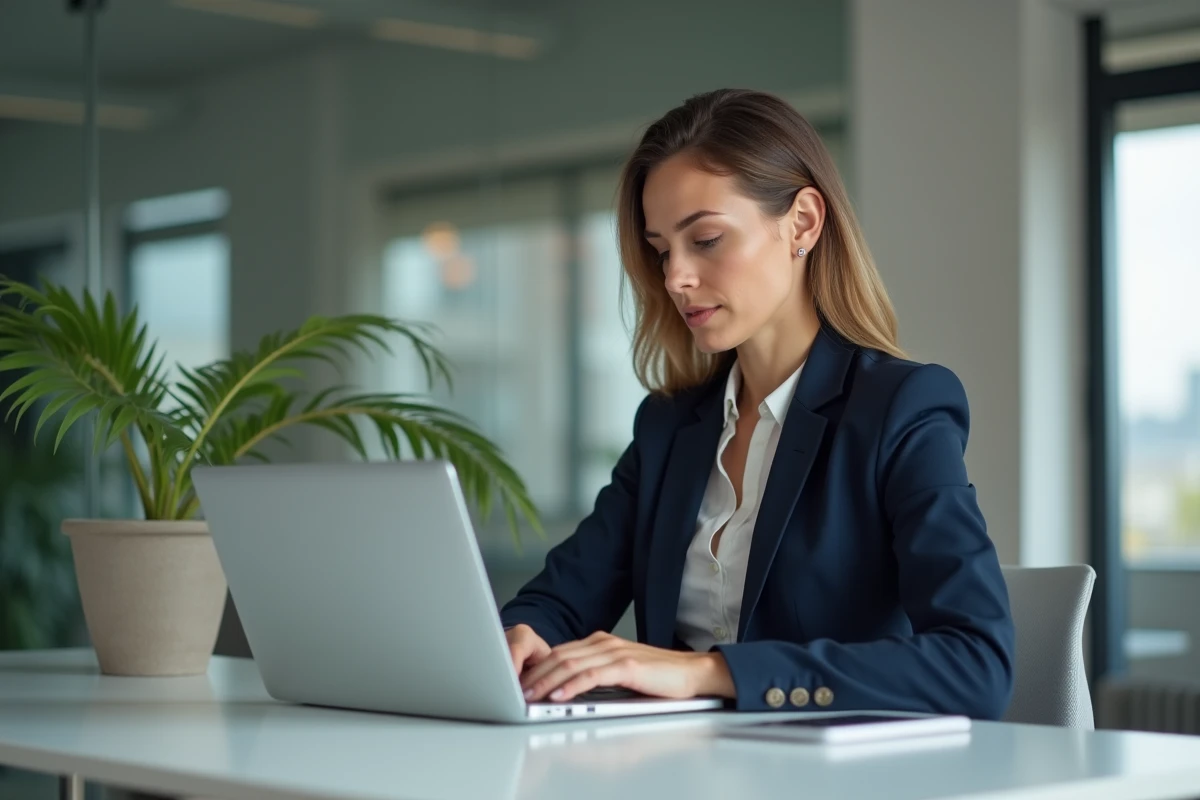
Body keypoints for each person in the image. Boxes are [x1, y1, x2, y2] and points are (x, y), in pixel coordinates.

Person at [499, 88, 1015, 719]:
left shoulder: (900, 408)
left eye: (706, 239)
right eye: (662, 250)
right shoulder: (669, 427)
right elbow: (561, 599)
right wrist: (524, 635)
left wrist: (707, 674)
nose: (674, 278)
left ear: (802, 222)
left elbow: (976, 665)